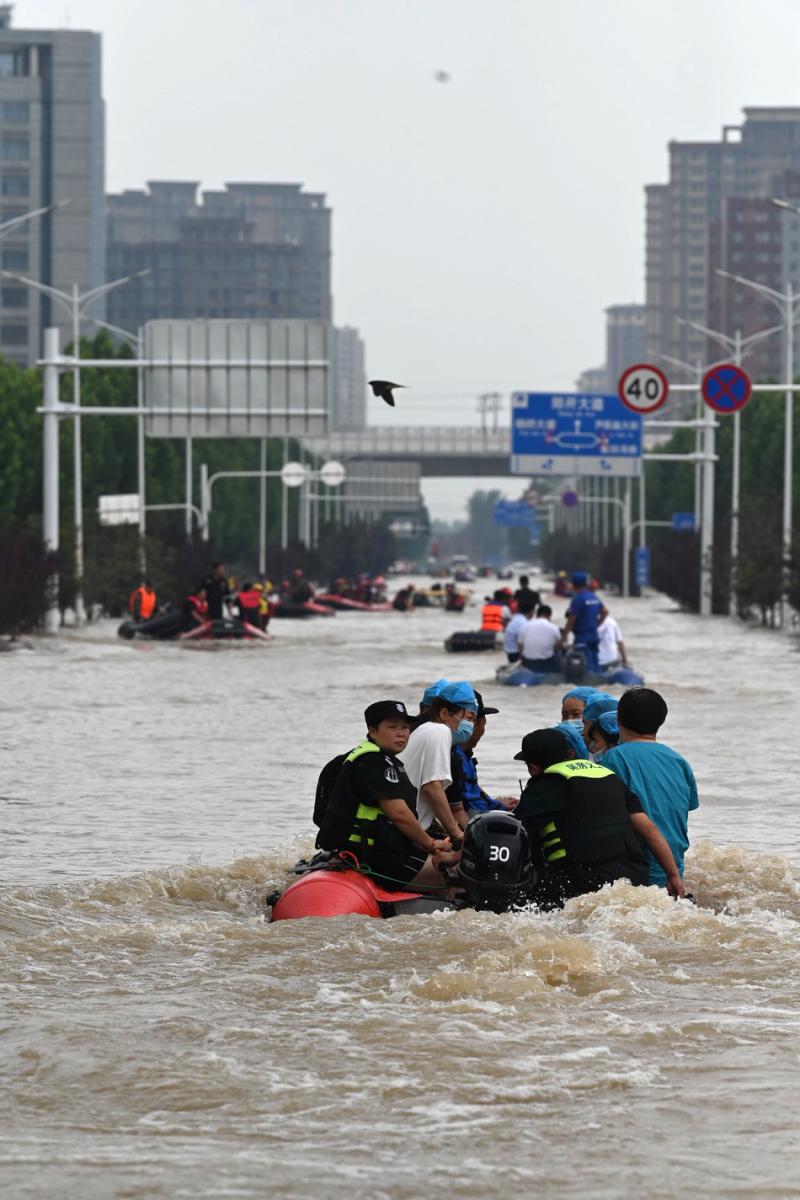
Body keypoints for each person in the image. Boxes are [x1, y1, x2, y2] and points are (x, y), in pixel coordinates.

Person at [513, 728, 684, 909]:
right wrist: (673, 876)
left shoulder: (544, 785)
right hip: (632, 876)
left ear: (533, 767)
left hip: (581, 879)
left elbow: (517, 834)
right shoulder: (607, 775)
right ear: (569, 753)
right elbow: (649, 829)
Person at [315, 700, 454, 887]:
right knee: (456, 875)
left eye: (406, 727)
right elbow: (399, 815)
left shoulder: (370, 756)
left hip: (370, 850)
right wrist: (431, 843)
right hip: (374, 857)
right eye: (392, 727)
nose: (401, 733)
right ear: (373, 731)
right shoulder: (373, 762)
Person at [602, 688, 699, 889]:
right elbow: (686, 807)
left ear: (618, 720)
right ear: (661, 721)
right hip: (674, 868)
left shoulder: (613, 759)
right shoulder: (678, 760)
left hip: (636, 868)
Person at [400, 680, 478, 844]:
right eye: (469, 718)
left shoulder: (422, 730)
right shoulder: (439, 730)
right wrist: (457, 833)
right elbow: (432, 788)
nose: (470, 726)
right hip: (403, 838)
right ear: (444, 714)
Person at [447, 691, 518, 817]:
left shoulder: (464, 754)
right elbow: (466, 804)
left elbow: (472, 791)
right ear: (475, 724)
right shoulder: (454, 757)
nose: (483, 731)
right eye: (483, 724)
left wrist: (495, 804)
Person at [563, 571, 607, 672]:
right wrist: (596, 625)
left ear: (574, 584)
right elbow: (605, 612)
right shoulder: (594, 597)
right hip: (594, 636)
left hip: (582, 638)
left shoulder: (577, 599)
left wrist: (564, 637)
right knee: (595, 663)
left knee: (586, 667)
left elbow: (571, 619)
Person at [518, 603, 563, 672]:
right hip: (546, 662)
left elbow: (520, 646)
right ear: (549, 615)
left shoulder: (525, 626)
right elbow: (558, 646)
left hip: (528, 662)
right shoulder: (554, 628)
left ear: (537, 615)